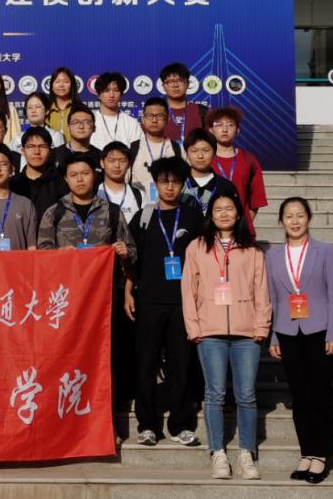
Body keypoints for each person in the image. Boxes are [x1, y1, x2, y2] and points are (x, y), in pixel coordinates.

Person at [36, 152, 137, 414]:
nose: (79, 179)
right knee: (66, 356)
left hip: (103, 300)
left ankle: (105, 417)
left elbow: (132, 251)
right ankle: (66, 415)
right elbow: (42, 254)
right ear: (66, 179)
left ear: (95, 176)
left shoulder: (111, 212)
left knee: (106, 357)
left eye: (85, 173)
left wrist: (124, 252)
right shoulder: (54, 212)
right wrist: (59, 255)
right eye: (73, 175)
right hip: (66, 301)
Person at [180, 190, 270, 480]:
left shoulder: (252, 250)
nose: (223, 214)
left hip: (246, 334)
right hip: (210, 332)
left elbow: (261, 290)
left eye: (229, 208)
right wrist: (194, 327)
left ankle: (246, 453)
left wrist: (261, 327)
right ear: (211, 214)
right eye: (218, 209)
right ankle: (218, 452)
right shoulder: (197, 247)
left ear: (239, 213)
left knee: (246, 395)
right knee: (215, 394)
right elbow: (188, 289)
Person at [125, 156, 202, 448]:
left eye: (176, 182)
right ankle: (147, 425)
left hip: (183, 302)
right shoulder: (143, 217)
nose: (170, 187)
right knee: (145, 363)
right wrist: (128, 292)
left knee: (181, 363)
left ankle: (181, 424)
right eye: (164, 181)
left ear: (183, 185)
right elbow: (132, 260)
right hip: (149, 301)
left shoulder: (193, 218)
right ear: (155, 183)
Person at [267, 197, 333, 484]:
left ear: (308, 218)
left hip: (319, 331)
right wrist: (274, 335)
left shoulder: (326, 251)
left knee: (320, 395)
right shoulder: (273, 256)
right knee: (299, 396)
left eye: (300, 215)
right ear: (281, 221)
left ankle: (321, 455)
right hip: (288, 332)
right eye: (289, 216)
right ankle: (306, 452)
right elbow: (273, 299)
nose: (295, 221)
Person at [206, 106, 268, 235]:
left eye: (230, 125)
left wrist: (244, 223)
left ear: (237, 130)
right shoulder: (204, 160)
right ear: (211, 130)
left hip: (242, 230)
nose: (225, 129)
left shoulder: (249, 160)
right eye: (219, 125)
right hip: (210, 230)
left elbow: (256, 199)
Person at [10, 126, 68, 226]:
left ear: (50, 150)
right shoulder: (13, 184)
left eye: (42, 146)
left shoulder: (60, 183)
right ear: (23, 151)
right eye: (31, 146)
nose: (37, 152)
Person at [129, 97, 182, 204]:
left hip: (169, 206)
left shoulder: (176, 148)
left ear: (168, 119)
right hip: (139, 207)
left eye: (159, 116)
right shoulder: (133, 148)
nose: (154, 120)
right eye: (149, 116)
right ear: (143, 119)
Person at [181, 128, 238, 218]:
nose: (200, 156)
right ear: (186, 154)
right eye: (194, 151)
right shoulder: (178, 184)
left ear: (214, 153)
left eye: (206, 150)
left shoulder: (226, 187)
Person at [90, 72, 143, 150]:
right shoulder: (90, 121)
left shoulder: (132, 123)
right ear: (99, 95)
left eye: (116, 90)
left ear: (121, 94)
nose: (111, 95)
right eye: (106, 90)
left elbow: (138, 151)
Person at [98, 141, 145, 225]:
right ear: (102, 163)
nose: (117, 165)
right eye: (111, 160)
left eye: (122, 160)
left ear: (129, 164)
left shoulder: (140, 195)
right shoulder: (94, 193)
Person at [159, 62, 206, 142]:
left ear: (187, 84)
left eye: (180, 80)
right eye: (170, 82)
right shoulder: (155, 112)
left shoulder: (202, 112)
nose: (175, 85)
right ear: (163, 86)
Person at [50, 105, 102, 173]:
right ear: (68, 127)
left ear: (94, 128)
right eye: (76, 122)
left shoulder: (101, 157)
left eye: (86, 122)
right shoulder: (54, 155)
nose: (81, 126)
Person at [46, 67, 84, 143]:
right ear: (52, 86)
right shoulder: (46, 110)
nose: (61, 85)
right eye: (57, 82)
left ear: (72, 85)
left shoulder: (81, 109)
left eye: (66, 82)